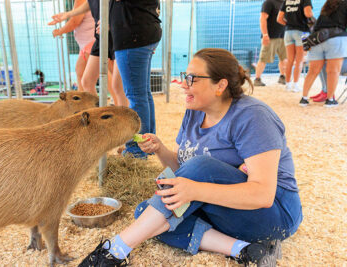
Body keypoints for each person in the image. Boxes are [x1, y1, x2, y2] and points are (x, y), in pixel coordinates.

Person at [77, 48, 303, 267]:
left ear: (220, 85)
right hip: (223, 207)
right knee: (146, 214)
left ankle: (113, 252)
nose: (183, 84)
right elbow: (186, 169)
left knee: (158, 215)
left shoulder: (252, 116)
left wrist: (195, 190)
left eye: (193, 79)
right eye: (185, 76)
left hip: (273, 214)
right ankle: (246, 250)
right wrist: (160, 150)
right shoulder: (195, 112)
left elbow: (262, 194)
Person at [49, 0, 128, 107]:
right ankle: (98, 110)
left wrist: (60, 31)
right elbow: (88, 5)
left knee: (115, 83)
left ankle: (119, 110)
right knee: (86, 78)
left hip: (105, 38)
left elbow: (74, 22)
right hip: (97, 39)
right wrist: (68, 14)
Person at [109, 0, 162, 158]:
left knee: (136, 96)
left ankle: (137, 150)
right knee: (142, 94)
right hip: (140, 32)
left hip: (133, 35)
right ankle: (147, 143)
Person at [299, 0, 347, 107]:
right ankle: (330, 100)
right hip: (336, 38)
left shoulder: (327, 5)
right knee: (333, 71)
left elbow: (316, 25)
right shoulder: (345, 4)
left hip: (318, 39)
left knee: (312, 71)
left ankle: (304, 99)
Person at [52, 0, 94, 92]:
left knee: (88, 77)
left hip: (90, 43)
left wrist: (60, 31)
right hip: (88, 43)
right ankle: (87, 102)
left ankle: (116, 102)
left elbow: (75, 21)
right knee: (81, 73)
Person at [277, 0, 314, 92]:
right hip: (303, 32)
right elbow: (308, 13)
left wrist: (290, 25)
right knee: (299, 60)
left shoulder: (287, 1)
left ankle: (288, 85)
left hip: (288, 32)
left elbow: (279, 18)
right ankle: (295, 85)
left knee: (290, 60)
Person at [253, 0, 287, 87]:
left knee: (284, 59)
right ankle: (257, 79)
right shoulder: (268, 2)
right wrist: (265, 35)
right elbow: (263, 18)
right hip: (270, 36)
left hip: (283, 36)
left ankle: (282, 77)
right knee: (263, 58)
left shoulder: (285, 3)